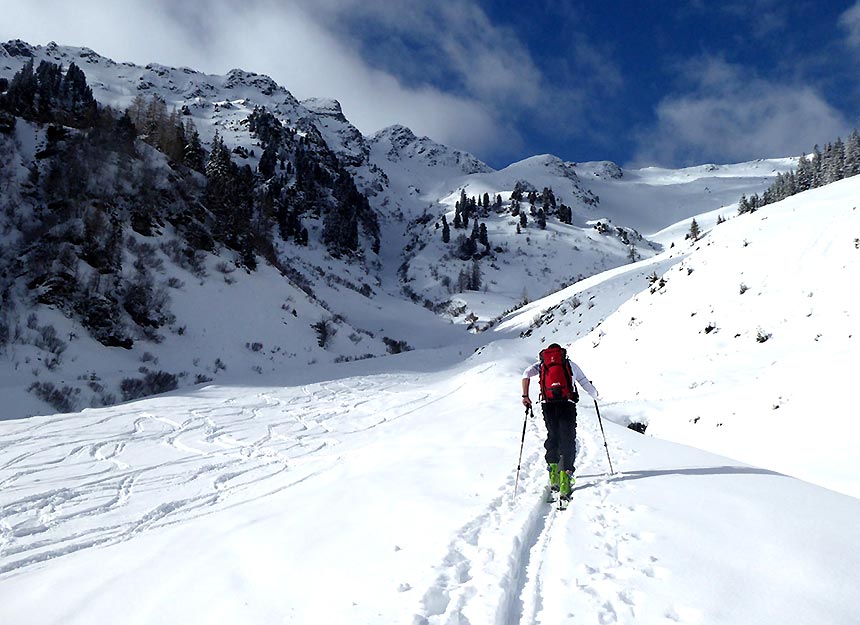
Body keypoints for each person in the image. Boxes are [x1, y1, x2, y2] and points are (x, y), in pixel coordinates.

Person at [521, 343, 599, 498]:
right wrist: (595, 395)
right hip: (567, 405)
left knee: (553, 436)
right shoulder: (569, 364)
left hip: (548, 405)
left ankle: (553, 475)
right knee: (568, 439)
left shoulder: (541, 365)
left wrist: (525, 396)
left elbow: (525, 374)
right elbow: (584, 382)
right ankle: (566, 477)